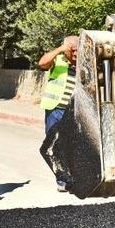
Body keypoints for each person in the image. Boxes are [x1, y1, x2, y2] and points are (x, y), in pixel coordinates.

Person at [37, 36, 78, 192]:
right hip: (55, 109)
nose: (75, 53)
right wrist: (61, 49)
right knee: (55, 145)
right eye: (72, 50)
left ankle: (73, 176)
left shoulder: (84, 63)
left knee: (73, 145)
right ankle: (61, 179)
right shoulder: (58, 60)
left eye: (77, 50)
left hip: (73, 112)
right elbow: (42, 63)